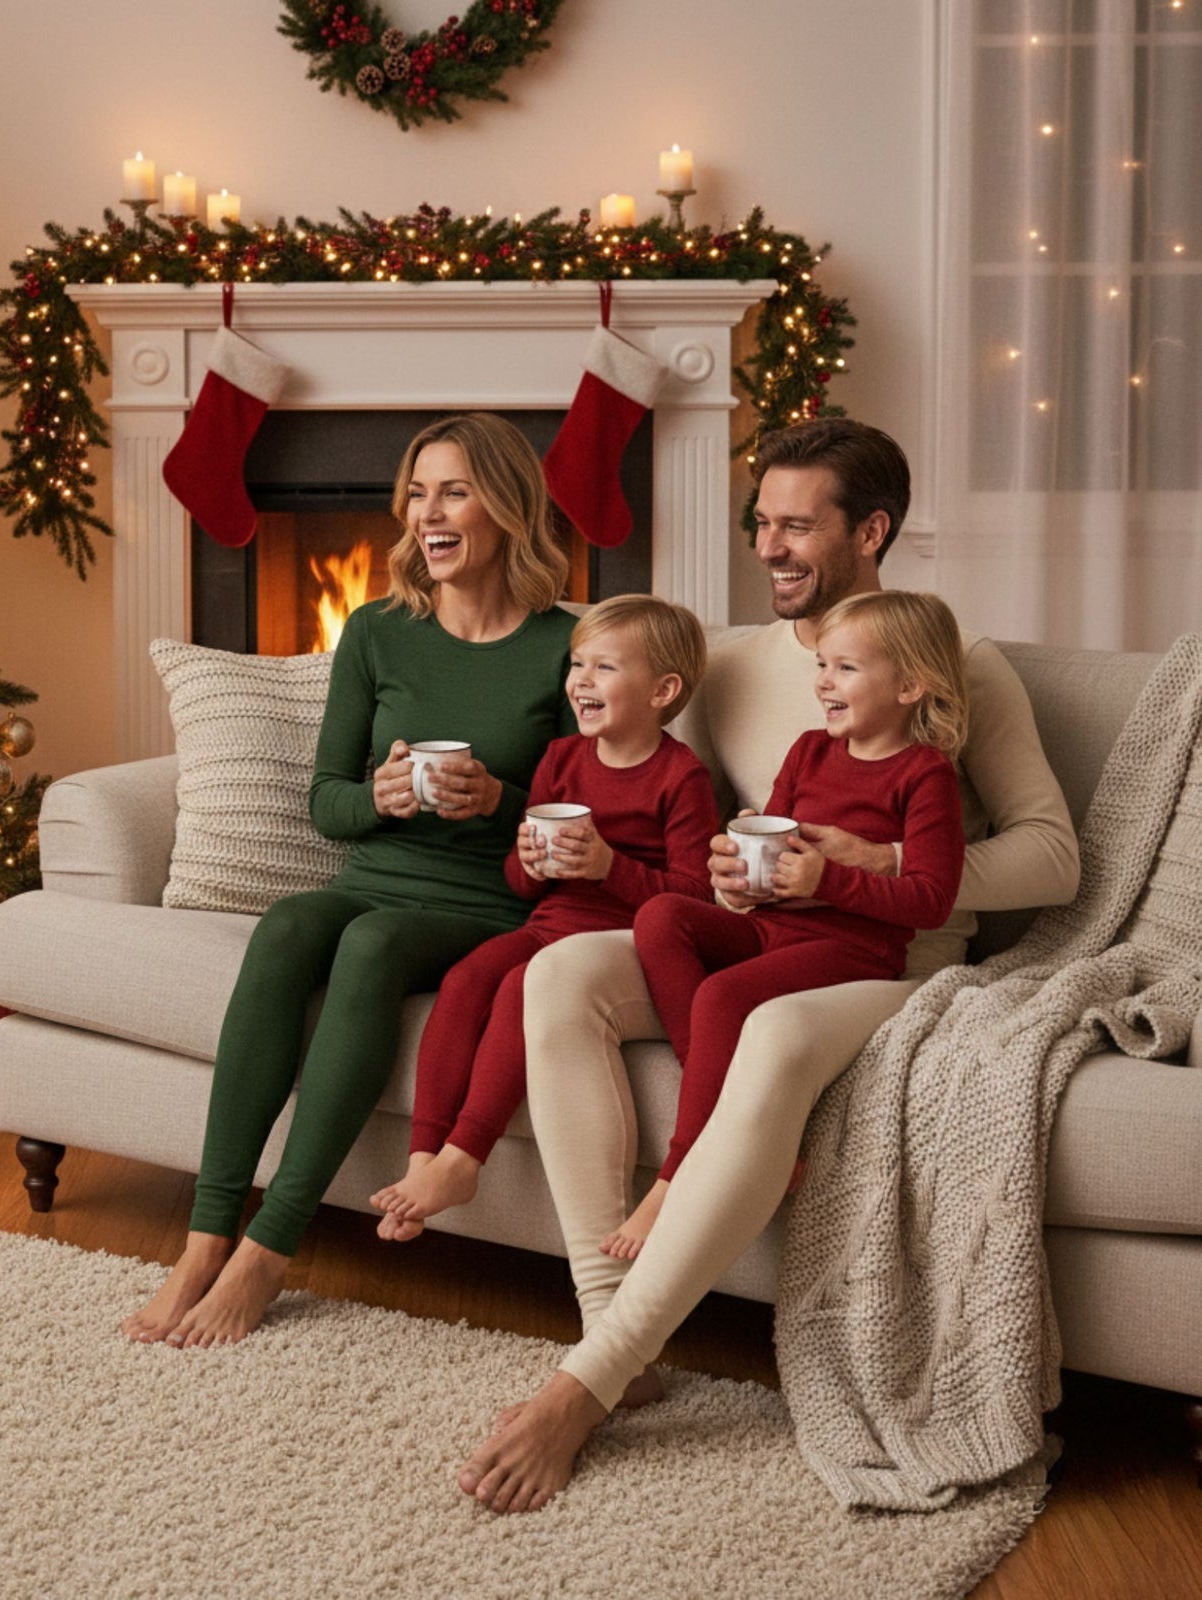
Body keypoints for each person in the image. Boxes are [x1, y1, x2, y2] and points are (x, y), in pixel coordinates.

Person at [457, 417, 1080, 1514]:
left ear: (870, 532)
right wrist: (716, 872)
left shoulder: (952, 664)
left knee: (774, 1029)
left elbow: (1053, 855)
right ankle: (612, 1326)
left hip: (885, 958)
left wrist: (867, 863)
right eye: (762, 521)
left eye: (797, 525)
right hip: (764, 931)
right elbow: (676, 808)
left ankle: (585, 1384)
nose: (768, 546)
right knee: (556, 976)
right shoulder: (735, 660)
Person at [122, 412, 577, 1350]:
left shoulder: (566, 645)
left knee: (369, 944)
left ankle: (270, 1247)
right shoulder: (376, 631)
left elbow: (585, 814)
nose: (427, 513)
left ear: (505, 506)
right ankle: (205, 1241)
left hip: (487, 900)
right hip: (375, 871)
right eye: (416, 494)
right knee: (289, 925)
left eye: (453, 492)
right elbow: (327, 802)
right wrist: (380, 796)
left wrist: (498, 798)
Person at [605, 590, 969, 1261]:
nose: (823, 681)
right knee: (662, 916)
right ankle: (729, 1104)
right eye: (821, 665)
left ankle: (677, 1174)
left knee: (722, 995)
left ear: (910, 686)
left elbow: (930, 900)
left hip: (853, 950)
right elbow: (773, 840)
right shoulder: (807, 751)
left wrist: (827, 880)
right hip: (772, 928)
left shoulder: (926, 775)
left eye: (846, 668)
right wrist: (738, 868)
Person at [369, 595, 718, 1240]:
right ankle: (424, 1159)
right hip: (548, 927)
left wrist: (609, 866)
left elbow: (696, 899)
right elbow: (522, 881)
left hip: (615, 948)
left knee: (516, 990)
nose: (581, 681)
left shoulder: (681, 778)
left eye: (604, 667)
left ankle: (465, 1157)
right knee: (466, 979)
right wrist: (528, 862)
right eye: (577, 664)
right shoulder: (561, 759)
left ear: (663, 691)